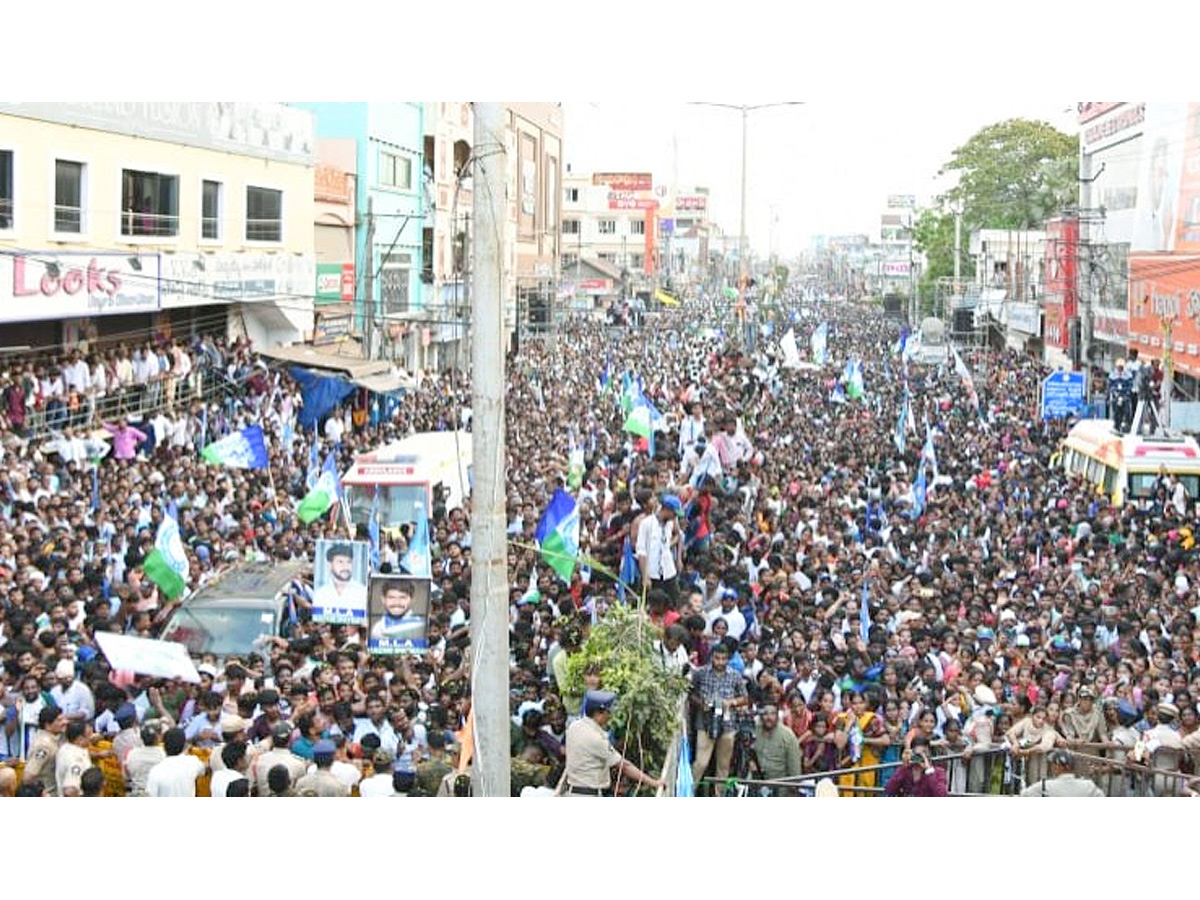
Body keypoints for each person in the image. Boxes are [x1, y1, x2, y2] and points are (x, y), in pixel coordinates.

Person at [562, 690, 662, 796]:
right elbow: (624, 766)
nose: (610, 715)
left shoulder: (574, 727)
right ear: (598, 713)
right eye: (608, 712)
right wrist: (654, 783)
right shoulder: (596, 739)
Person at [688, 643, 749, 795]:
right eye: (717, 658)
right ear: (712, 658)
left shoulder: (735, 675)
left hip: (728, 724)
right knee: (701, 763)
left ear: (728, 659)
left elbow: (745, 698)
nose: (720, 662)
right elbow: (690, 694)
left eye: (723, 659)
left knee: (723, 765)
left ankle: (719, 795)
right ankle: (688, 792)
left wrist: (732, 702)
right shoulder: (701, 673)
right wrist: (702, 704)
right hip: (705, 723)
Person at [752, 703, 801, 795]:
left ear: (777, 715)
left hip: (780, 786)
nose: (769, 717)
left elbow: (794, 768)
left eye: (772, 713)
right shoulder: (755, 732)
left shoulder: (787, 735)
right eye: (765, 714)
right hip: (757, 784)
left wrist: (793, 788)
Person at [146, 727, 207, 797]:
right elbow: (205, 768)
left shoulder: (155, 771)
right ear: (184, 745)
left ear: (164, 746)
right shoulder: (192, 762)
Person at [1019, 748, 1105, 797]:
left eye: (1053, 764)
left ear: (1057, 767)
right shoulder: (1088, 785)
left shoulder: (1044, 786)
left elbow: (1024, 795)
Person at [313, 542, 368, 615]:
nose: (345, 566)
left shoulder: (362, 592)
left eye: (349, 562)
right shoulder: (320, 594)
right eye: (340, 562)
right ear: (329, 565)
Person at [883, 736, 948, 797]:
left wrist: (929, 770)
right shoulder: (906, 770)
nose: (921, 756)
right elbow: (889, 789)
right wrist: (904, 767)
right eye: (917, 753)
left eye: (924, 752)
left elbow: (941, 795)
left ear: (930, 754)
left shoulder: (938, 772)